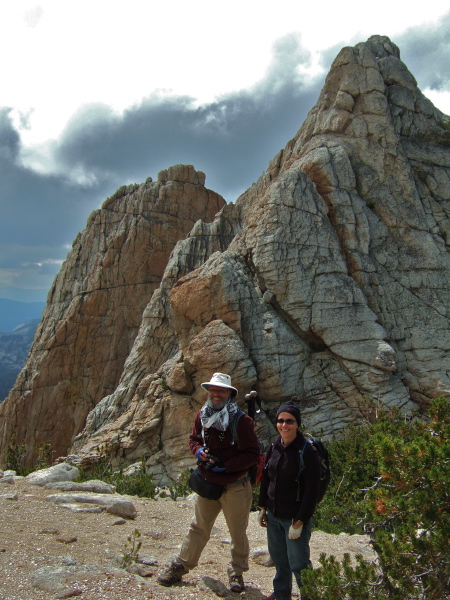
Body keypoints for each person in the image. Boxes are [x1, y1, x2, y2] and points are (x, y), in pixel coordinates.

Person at [157, 372, 260, 593]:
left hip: (235, 484)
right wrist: (199, 452)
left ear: (229, 394)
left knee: (237, 531)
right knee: (199, 527)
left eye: (221, 391)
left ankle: (237, 572)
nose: (216, 394)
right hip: (209, 481)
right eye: (213, 390)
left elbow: (253, 454)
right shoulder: (202, 416)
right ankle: (181, 566)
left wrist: (228, 465)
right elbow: (194, 439)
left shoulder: (242, 421)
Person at [257, 401, 321, 600]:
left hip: (294, 518)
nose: (284, 425)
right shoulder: (275, 445)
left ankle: (309, 596)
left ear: (297, 424)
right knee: (279, 560)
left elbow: (312, 491)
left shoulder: (307, 451)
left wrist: (300, 521)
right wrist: (262, 507)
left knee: (299, 563)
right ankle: (281, 594)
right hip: (274, 516)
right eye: (280, 421)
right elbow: (267, 478)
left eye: (289, 421)